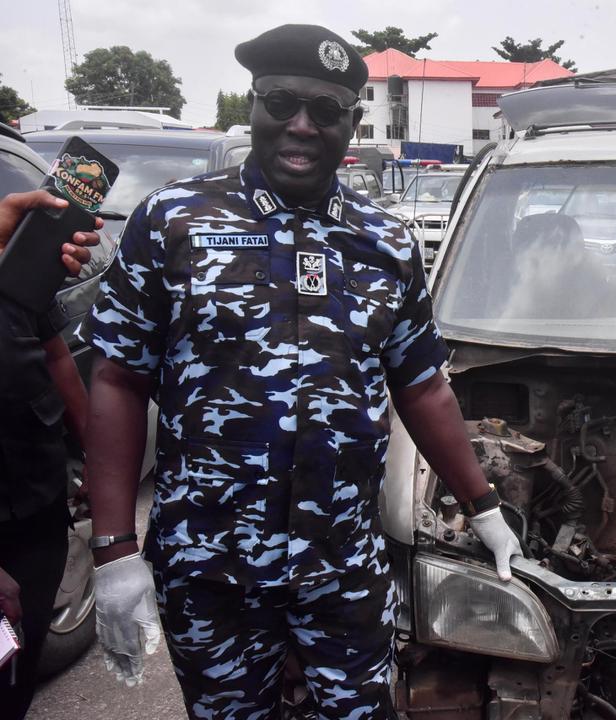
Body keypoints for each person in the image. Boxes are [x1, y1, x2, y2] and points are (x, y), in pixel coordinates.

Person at [82, 24, 522, 719]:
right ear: (252, 107)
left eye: (326, 110)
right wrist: (113, 551)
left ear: (352, 121)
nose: (300, 124)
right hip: (210, 565)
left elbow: (422, 382)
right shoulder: (174, 221)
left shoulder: (385, 241)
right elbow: (117, 379)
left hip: (341, 568)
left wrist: (484, 507)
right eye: (281, 101)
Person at [0, 189, 101, 719]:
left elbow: (55, 354)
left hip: (33, 505)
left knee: (15, 669)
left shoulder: (10, 256)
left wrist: (97, 461)